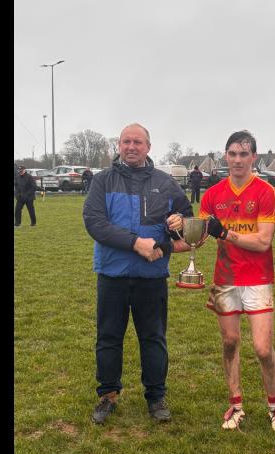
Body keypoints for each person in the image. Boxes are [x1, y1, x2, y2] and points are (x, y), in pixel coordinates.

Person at [83, 123, 194, 425]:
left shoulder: (166, 183)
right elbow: (94, 222)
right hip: (112, 274)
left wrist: (178, 222)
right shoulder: (102, 181)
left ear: (148, 146)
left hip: (151, 276)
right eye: (126, 141)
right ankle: (108, 395)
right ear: (118, 146)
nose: (131, 147)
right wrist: (135, 243)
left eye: (138, 142)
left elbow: (188, 220)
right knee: (108, 337)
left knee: (153, 338)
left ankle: (156, 396)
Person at [199, 130, 275, 433]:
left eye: (244, 154)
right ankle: (236, 404)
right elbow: (198, 237)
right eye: (232, 153)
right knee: (229, 343)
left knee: (263, 348)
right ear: (225, 156)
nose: (237, 159)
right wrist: (175, 229)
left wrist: (224, 233)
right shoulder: (212, 195)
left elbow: (263, 242)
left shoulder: (265, 192)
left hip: (257, 279)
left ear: (253, 157)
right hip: (225, 279)